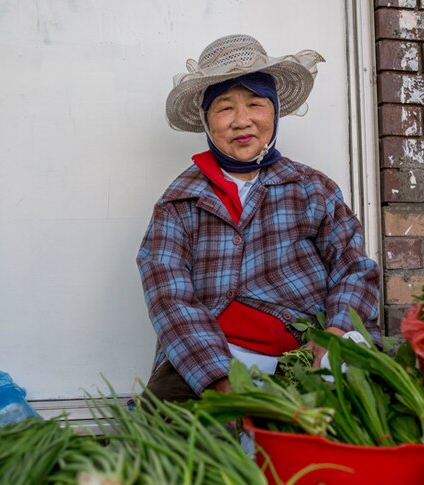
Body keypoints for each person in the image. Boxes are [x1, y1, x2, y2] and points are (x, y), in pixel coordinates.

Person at [136, 34, 381, 402]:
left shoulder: (312, 188)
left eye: (255, 103)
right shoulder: (178, 201)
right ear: (207, 121)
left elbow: (354, 268)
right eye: (224, 107)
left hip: (304, 352)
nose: (242, 120)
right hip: (212, 358)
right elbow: (168, 295)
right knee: (170, 428)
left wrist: (336, 331)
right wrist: (221, 377)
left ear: (275, 112)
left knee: (359, 415)